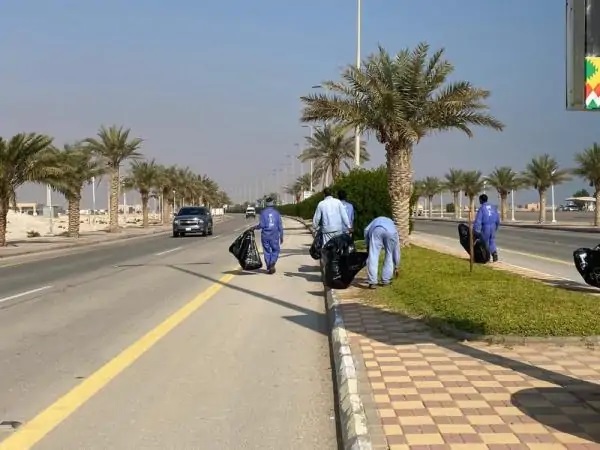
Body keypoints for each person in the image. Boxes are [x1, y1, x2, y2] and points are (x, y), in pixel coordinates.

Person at [364, 216, 400, 288]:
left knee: (373, 255)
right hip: (391, 233)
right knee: (389, 254)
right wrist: (396, 266)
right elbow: (396, 249)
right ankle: (386, 281)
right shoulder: (393, 227)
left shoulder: (375, 220)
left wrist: (368, 244)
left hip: (377, 231)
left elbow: (366, 230)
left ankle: (373, 281)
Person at [254, 197, 284, 274]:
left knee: (266, 251)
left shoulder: (263, 213)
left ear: (266, 203)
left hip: (265, 235)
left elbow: (262, 225)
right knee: (275, 250)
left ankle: (269, 265)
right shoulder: (276, 213)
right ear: (272, 203)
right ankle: (272, 262)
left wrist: (255, 227)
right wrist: (281, 235)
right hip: (274, 235)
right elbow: (280, 225)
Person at [473, 193, 500, 262]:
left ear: (481, 200)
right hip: (493, 226)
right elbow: (497, 219)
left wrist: (476, 231)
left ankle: (486, 256)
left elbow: (478, 221)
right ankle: (494, 253)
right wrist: (496, 227)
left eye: (479, 200)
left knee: (485, 241)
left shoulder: (482, 208)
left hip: (486, 227)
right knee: (492, 240)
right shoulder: (493, 207)